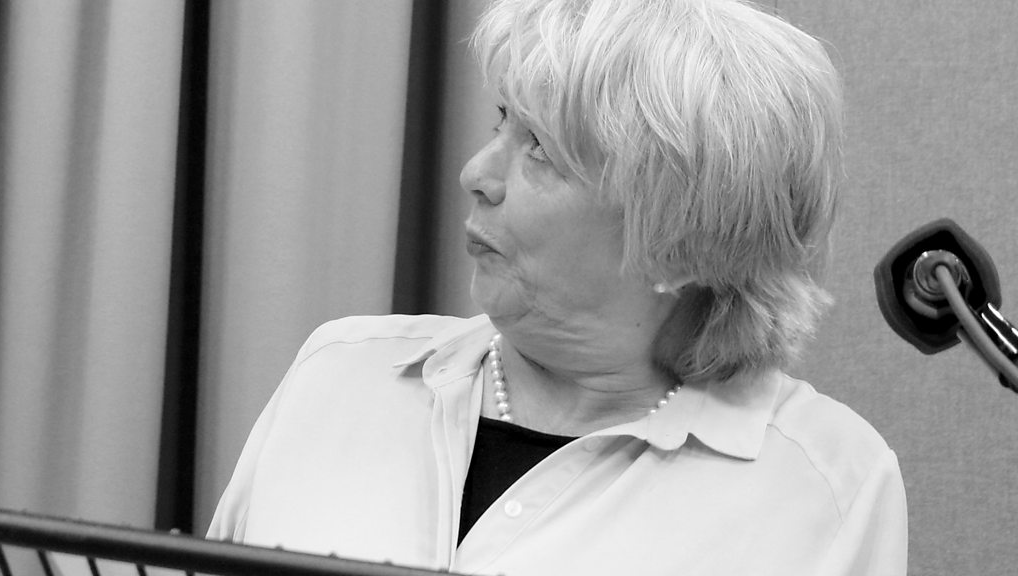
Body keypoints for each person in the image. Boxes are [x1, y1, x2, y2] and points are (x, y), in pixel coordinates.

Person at [208, 0, 908, 574]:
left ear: (685, 240)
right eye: (502, 122)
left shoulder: (826, 483)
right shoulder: (339, 373)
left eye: (541, 149)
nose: (477, 174)